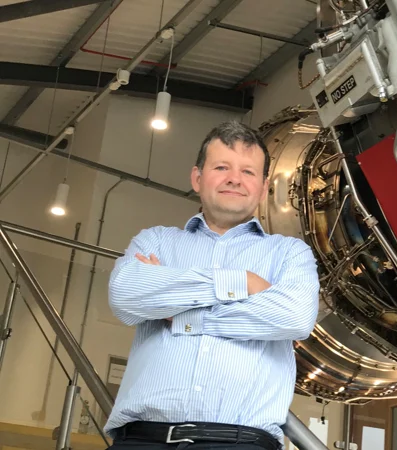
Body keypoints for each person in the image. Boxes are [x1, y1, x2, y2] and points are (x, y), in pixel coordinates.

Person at [104, 120, 320, 450]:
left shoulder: (289, 253)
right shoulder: (156, 241)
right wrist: (242, 281)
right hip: (142, 439)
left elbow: (295, 317)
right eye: (222, 167)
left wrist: (182, 312)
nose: (235, 178)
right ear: (197, 178)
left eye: (248, 172)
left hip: (239, 442)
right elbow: (125, 294)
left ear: (263, 188)